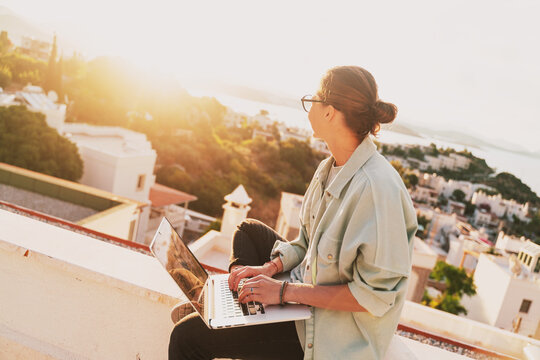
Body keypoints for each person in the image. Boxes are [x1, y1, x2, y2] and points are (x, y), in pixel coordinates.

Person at [169, 65, 418, 360]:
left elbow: (375, 296)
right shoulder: (330, 168)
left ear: (330, 112)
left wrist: (283, 292)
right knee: (248, 230)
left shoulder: (376, 191)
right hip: (306, 287)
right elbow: (306, 244)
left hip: (322, 331)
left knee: (185, 338)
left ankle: (232, 314)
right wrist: (268, 271)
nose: (307, 108)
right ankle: (235, 305)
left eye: (312, 100)